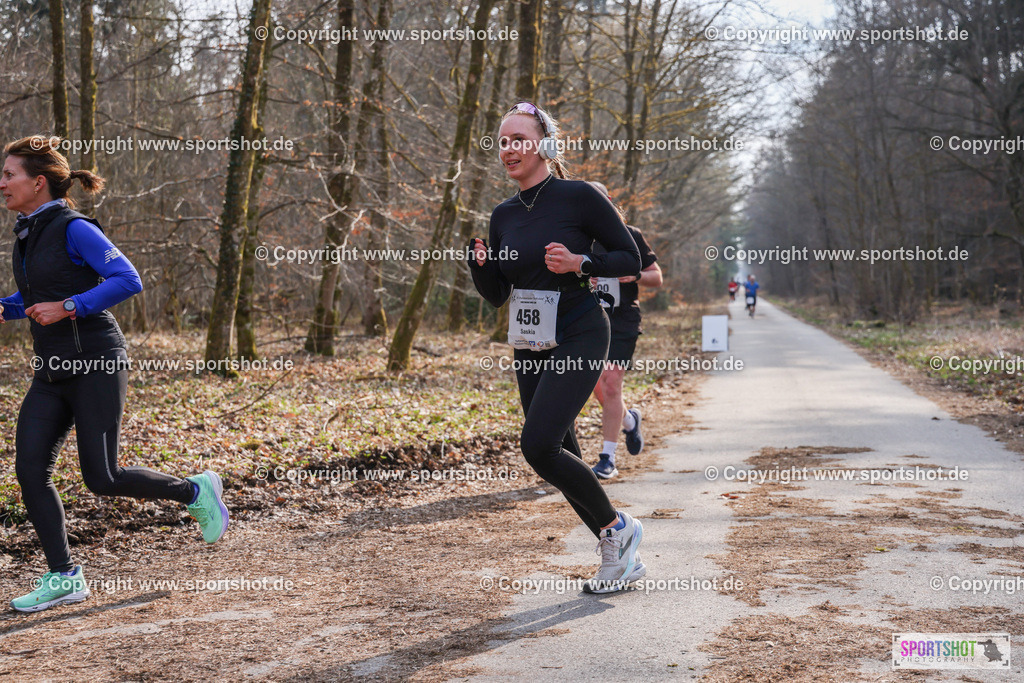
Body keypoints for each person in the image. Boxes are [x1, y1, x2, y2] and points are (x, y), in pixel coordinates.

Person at [0, 135, 229, 613]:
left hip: (98, 363)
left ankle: (194, 491)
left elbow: (127, 279)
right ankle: (64, 576)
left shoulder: (73, 227)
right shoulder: (27, 233)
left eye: (9, 175)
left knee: (102, 477)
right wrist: (8, 309)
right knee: (29, 470)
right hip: (52, 369)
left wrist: (69, 307)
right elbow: (39, 295)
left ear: (38, 183)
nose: (2, 184)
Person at [469, 102, 646, 593]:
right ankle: (618, 547)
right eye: (502, 141)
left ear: (543, 144)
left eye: (518, 139)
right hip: (530, 339)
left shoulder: (579, 198)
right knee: (559, 448)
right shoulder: (502, 214)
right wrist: (480, 266)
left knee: (537, 445)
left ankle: (618, 532)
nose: (508, 150)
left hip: (580, 329)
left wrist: (580, 263)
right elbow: (498, 294)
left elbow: (628, 258)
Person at [586, 181, 662, 480]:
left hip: (622, 322)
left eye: (598, 202)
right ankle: (629, 420)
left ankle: (607, 458)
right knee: (596, 386)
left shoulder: (629, 236)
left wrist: (635, 276)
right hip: (587, 320)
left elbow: (656, 278)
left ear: (608, 201)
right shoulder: (577, 239)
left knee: (611, 383)